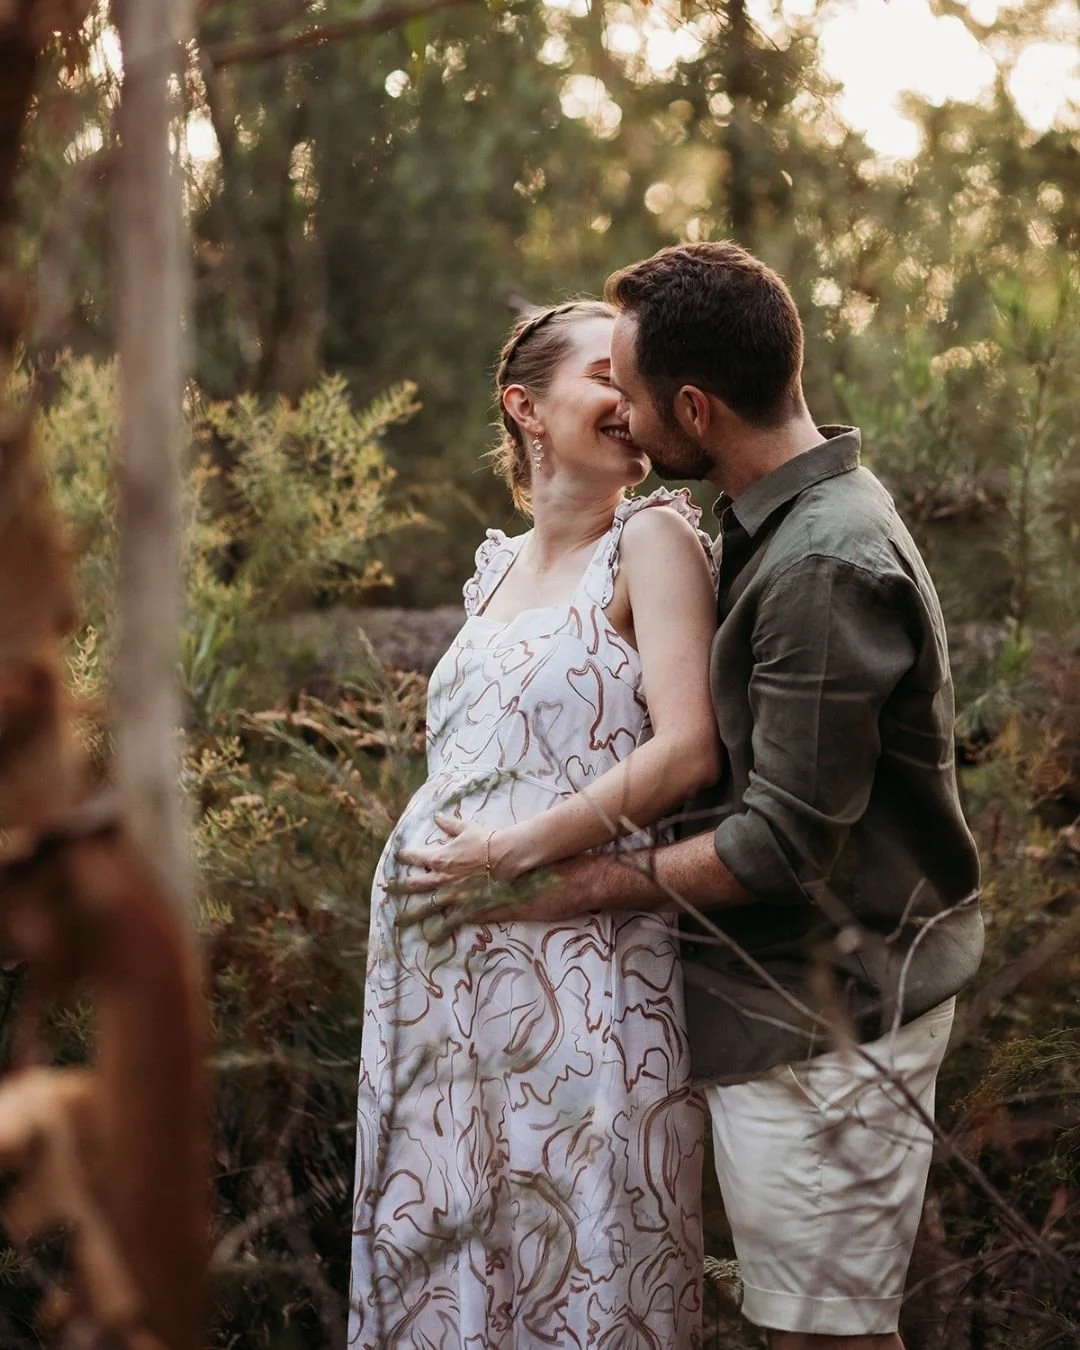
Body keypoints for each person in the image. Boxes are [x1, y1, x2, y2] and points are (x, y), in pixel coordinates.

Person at [401, 243, 984, 1350]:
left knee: (824, 1338)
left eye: (630, 386)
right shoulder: (777, 526)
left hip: (830, 1018)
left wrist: (563, 885)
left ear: (695, 409)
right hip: (781, 1012)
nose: (624, 411)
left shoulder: (820, 561)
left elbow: (780, 848)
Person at [348, 298, 721, 1347]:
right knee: (456, 1256)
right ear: (525, 406)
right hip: (441, 986)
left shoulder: (651, 540)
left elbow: (687, 749)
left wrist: (514, 851)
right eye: (607, 375)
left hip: (580, 964)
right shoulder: (495, 569)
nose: (632, 399)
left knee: (583, 1248)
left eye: (638, 380)